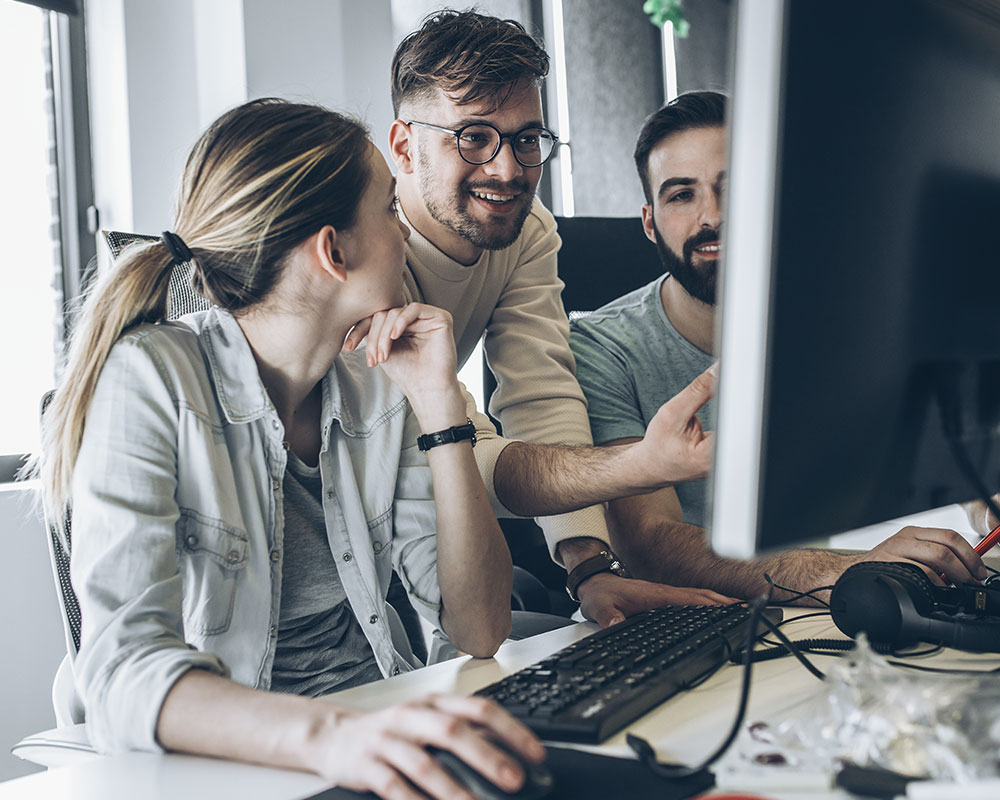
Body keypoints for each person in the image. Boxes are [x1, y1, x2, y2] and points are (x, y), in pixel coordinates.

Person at [33, 98, 546, 798]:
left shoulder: (379, 382)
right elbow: (124, 672)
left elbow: (479, 627)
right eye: (391, 210)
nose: (404, 233)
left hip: (366, 735)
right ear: (333, 252)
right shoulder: (149, 379)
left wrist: (439, 405)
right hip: (224, 764)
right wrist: (331, 738)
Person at [570, 90, 988, 600]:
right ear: (649, 221)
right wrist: (840, 570)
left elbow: (942, 455)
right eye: (682, 194)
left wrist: (983, 503)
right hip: (699, 621)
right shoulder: (601, 345)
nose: (712, 217)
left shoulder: (842, 320)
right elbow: (651, 543)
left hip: (847, 607)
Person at [389, 10, 732, 627]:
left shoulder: (526, 229)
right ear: (405, 147)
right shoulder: (367, 253)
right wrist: (640, 466)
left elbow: (540, 400)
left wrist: (589, 570)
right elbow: (463, 452)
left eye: (526, 138)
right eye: (472, 135)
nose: (507, 169)